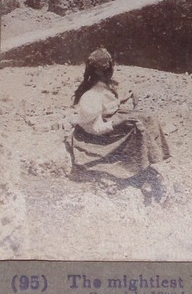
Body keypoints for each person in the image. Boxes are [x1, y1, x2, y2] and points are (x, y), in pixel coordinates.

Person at [68, 48, 169, 195]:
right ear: (99, 71)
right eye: (108, 68)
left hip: (110, 119)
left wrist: (123, 98)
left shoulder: (103, 87)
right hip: (98, 135)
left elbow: (108, 105)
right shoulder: (90, 96)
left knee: (148, 117)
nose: (111, 71)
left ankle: (152, 159)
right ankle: (140, 172)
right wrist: (117, 124)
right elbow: (94, 128)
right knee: (136, 126)